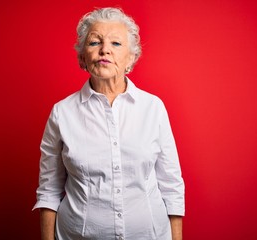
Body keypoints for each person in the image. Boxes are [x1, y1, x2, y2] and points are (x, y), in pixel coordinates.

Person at [33, 7, 185, 240]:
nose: (105, 49)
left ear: (131, 58)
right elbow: (49, 190)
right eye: (95, 42)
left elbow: (171, 186)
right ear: (83, 56)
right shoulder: (62, 113)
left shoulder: (153, 108)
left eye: (116, 43)